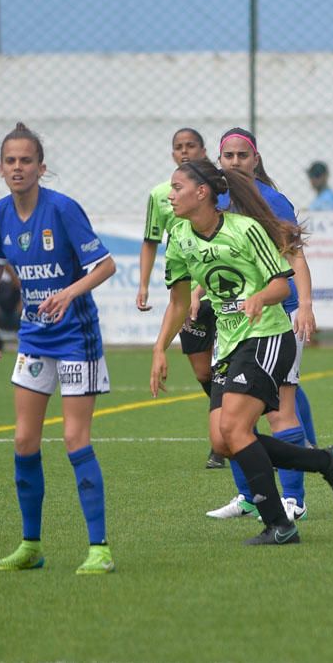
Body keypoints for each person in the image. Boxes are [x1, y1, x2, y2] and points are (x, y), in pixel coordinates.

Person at [150, 159, 333, 545]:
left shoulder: (245, 230)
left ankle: (280, 524)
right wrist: (160, 348)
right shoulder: (178, 236)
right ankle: (328, 462)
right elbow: (177, 303)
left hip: (268, 335)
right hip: (229, 343)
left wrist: (259, 296)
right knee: (223, 440)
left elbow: (280, 285)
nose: (170, 195)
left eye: (177, 188)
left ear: (202, 193)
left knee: (235, 429)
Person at [0, 123, 117, 574]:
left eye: (26, 160)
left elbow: (105, 265)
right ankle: (31, 546)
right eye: (11, 161)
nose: (18, 168)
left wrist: (70, 292)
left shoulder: (63, 209)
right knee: (23, 439)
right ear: (0, 168)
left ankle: (99, 549)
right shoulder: (0, 212)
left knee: (75, 438)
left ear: (42, 167)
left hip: (77, 337)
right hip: (35, 335)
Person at [204, 127, 319, 522]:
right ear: (219, 161)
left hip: (275, 318)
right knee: (227, 419)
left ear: (255, 160)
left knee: (280, 408)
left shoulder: (271, 201)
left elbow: (295, 258)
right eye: (228, 156)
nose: (235, 162)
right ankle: (250, 494)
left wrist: (304, 305)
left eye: (242, 155)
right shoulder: (213, 201)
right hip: (232, 323)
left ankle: (293, 499)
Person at [136, 128, 226, 468]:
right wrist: (144, 285)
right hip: (187, 290)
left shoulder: (221, 199)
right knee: (205, 372)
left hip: (226, 300)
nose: (184, 151)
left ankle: (225, 437)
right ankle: (231, 425)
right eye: (178, 147)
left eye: (191, 146)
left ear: (204, 150)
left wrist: (200, 290)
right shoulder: (161, 200)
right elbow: (151, 241)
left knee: (227, 372)